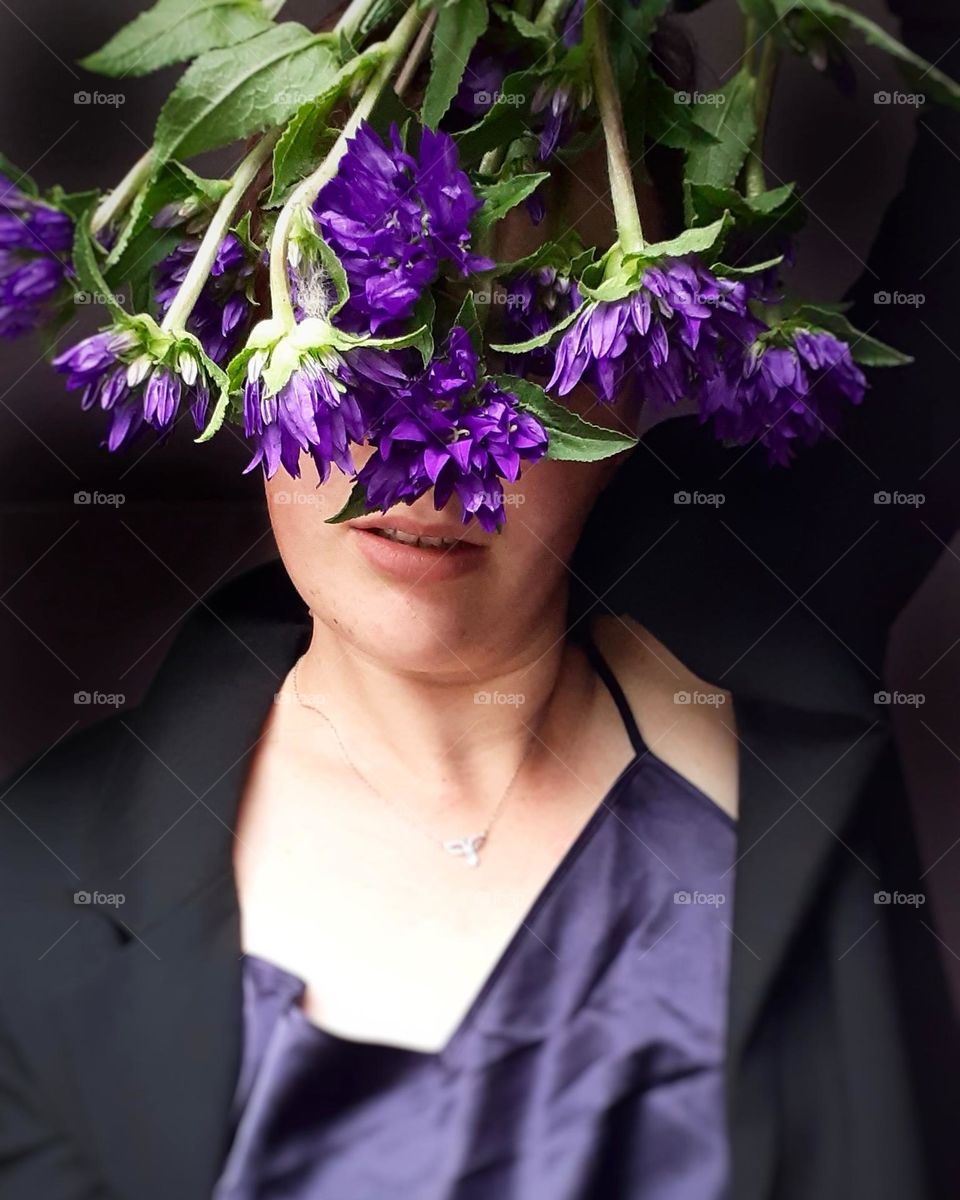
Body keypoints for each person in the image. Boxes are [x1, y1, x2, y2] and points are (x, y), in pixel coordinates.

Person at [0, 3, 957, 1200]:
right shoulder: (33, 894)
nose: (424, 452)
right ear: (248, 356)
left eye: (525, 337)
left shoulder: (761, 611)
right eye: (360, 338)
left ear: (631, 385)